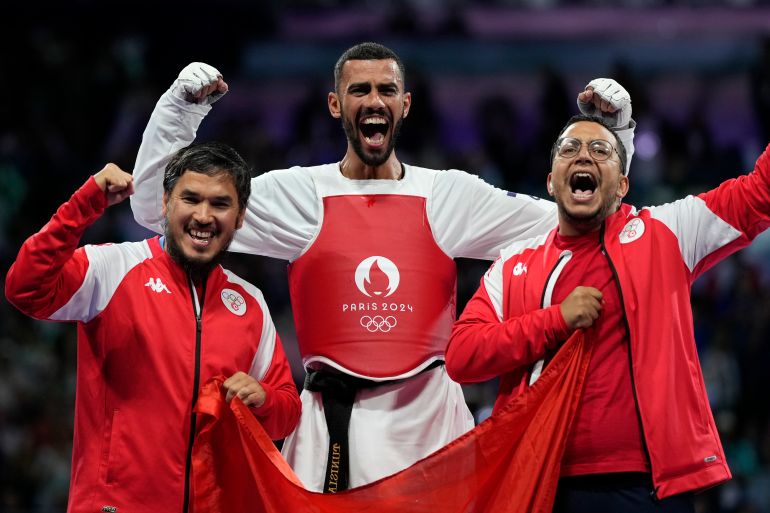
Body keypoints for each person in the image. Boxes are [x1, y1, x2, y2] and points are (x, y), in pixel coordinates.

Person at [129, 42, 635, 492]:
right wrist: (178, 112)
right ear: (335, 105)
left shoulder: (447, 195)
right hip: (330, 433)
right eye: (359, 90)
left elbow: (582, 221)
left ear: (404, 105)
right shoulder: (299, 194)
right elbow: (159, 209)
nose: (374, 101)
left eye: (387, 90)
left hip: (432, 429)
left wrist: (617, 137)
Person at [445, 114, 770, 512]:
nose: (584, 156)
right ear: (551, 182)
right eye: (569, 149)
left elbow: (759, 193)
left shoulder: (665, 233)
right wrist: (556, 320)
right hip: (541, 484)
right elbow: (462, 355)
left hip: (648, 487)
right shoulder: (514, 264)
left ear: (622, 186)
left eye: (601, 150)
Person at [5, 142, 301, 513]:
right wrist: (85, 204)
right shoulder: (113, 268)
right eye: (190, 199)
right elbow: (25, 288)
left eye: (220, 204)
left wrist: (264, 398)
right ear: (165, 203)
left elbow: (286, 412)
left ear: (240, 217)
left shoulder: (250, 303)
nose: (204, 216)